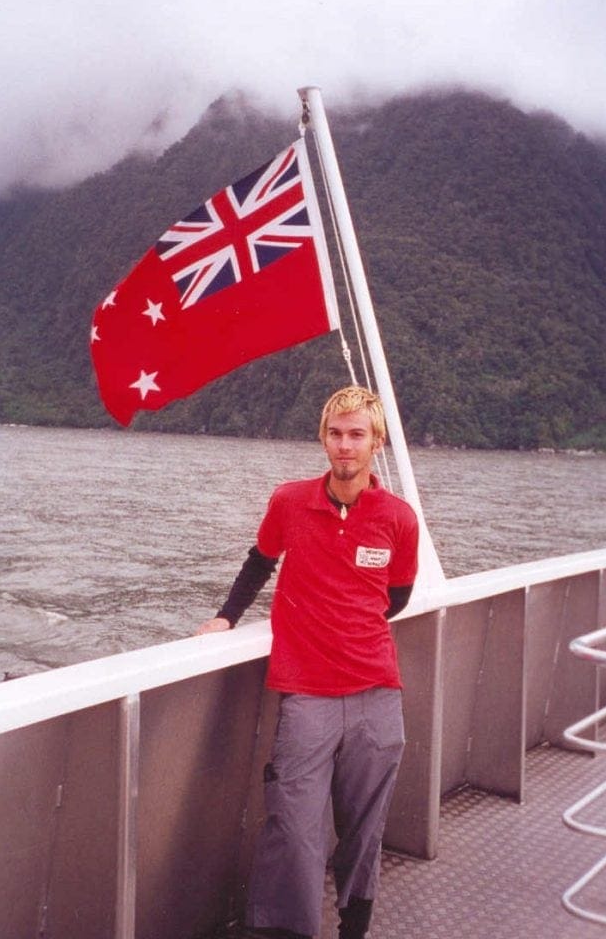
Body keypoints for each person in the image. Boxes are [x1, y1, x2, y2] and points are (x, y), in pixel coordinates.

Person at [198, 385, 419, 939]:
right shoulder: (290, 502)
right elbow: (260, 561)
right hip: (306, 694)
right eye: (336, 434)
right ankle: (285, 931)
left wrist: (348, 625)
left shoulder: (399, 518)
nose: (345, 446)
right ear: (324, 438)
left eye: (357, 435)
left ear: (376, 442)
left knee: (365, 828)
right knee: (294, 825)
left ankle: (355, 923)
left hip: (377, 691)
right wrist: (227, 616)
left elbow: (398, 596)